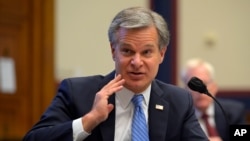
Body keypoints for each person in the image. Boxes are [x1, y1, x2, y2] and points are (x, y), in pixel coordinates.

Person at [23, 7, 208, 141]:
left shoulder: (179, 101)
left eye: (146, 52)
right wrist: (90, 119)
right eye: (127, 51)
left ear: (162, 54)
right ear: (113, 51)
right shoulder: (77, 92)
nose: (136, 62)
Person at [180, 58, 246, 141]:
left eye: (205, 83)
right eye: (194, 86)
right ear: (185, 90)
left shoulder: (234, 111)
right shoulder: (179, 117)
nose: (200, 91)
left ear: (215, 87)